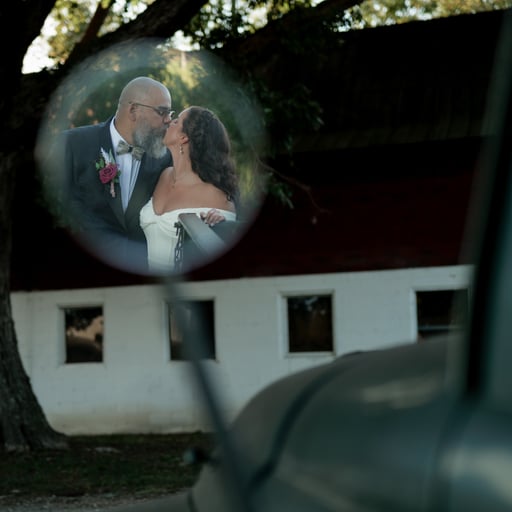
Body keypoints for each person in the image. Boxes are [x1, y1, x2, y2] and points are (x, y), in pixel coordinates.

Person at [48, 76, 174, 274]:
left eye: (169, 113)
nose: (168, 120)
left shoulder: (165, 158)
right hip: (79, 271)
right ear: (133, 110)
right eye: (162, 111)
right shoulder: (71, 144)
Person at [140, 106, 239, 274]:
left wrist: (218, 227)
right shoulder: (164, 175)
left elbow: (223, 256)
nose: (169, 122)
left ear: (184, 137)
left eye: (176, 121)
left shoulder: (216, 197)